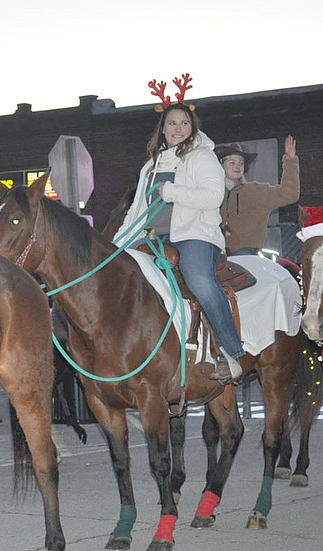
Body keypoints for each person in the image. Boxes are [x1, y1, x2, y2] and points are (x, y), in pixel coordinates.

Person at [113, 98, 245, 383]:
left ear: (192, 127)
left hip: (194, 236)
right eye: (172, 123)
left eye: (184, 123)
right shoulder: (151, 165)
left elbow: (214, 196)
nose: (178, 128)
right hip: (150, 238)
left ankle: (231, 353)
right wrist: (115, 247)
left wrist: (170, 191)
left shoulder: (202, 156)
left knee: (200, 282)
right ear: (163, 129)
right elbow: (136, 211)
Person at [215, 137, 300, 256]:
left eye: (241, 163)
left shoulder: (257, 191)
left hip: (247, 254)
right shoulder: (211, 194)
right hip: (215, 253)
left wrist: (290, 161)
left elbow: (289, 194)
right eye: (232, 162)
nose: (237, 166)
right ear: (220, 165)